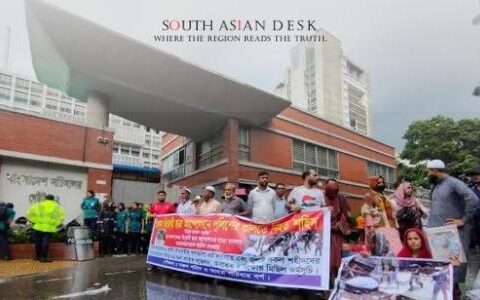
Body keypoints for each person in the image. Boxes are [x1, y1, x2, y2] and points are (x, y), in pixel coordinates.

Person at [426, 159, 479, 297]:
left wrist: (463, 220)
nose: (428, 173)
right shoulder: (435, 185)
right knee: (440, 270)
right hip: (437, 235)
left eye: (429, 171)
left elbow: (473, 199)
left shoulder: (454, 183)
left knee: (453, 272)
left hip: (451, 235)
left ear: (436, 170)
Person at [324, 179, 351, 277]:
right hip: (323, 234)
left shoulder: (341, 199)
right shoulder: (321, 198)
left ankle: (337, 278)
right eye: (331, 191)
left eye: (335, 191)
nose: (333, 193)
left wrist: (340, 224)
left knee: (337, 258)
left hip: (338, 233)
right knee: (325, 258)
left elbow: (346, 214)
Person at [26, 194, 65, 262]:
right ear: (53, 199)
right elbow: (61, 216)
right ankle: (43, 257)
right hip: (49, 228)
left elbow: (29, 213)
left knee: (38, 242)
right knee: (45, 242)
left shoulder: (38, 205)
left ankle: (37, 256)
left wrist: (33, 221)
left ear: (45, 198)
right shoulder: (56, 206)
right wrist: (56, 224)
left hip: (38, 226)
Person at [466, 165, 480, 253]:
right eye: (473, 174)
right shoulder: (469, 190)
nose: (475, 176)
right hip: (472, 228)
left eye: (478, 174)